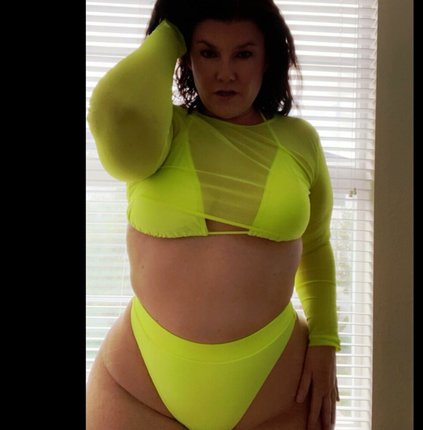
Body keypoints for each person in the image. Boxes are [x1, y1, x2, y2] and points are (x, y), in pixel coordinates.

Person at [86, 0, 340, 428]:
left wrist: (326, 343)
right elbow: (114, 111)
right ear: (186, 58)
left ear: (267, 60)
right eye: (208, 53)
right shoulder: (159, 132)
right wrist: (172, 27)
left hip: (277, 387)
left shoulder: (300, 141)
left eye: (243, 54)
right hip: (141, 386)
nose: (225, 73)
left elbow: (315, 247)